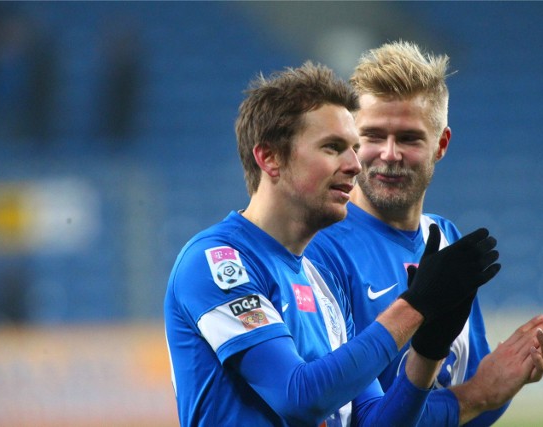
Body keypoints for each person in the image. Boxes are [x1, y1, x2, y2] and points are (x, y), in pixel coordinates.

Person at [164, 62, 511, 426]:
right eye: (333, 147)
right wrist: (415, 306)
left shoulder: (320, 284)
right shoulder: (216, 262)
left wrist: (428, 350)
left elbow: (375, 422)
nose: (356, 165)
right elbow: (298, 396)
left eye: (354, 147)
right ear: (269, 158)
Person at [306, 41, 543, 426]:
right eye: (374, 136)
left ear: (441, 144)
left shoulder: (445, 240)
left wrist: (506, 381)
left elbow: (472, 408)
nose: (390, 153)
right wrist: (479, 394)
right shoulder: (320, 250)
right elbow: (358, 419)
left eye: (410, 138)